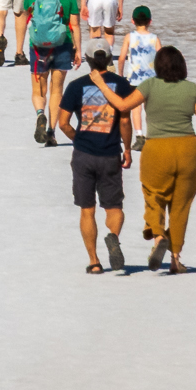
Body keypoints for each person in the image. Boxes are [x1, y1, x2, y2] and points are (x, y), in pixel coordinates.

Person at [87, 46, 196, 274]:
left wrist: (101, 84)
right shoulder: (192, 89)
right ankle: (175, 259)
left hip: (157, 149)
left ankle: (158, 239)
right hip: (189, 151)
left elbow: (123, 106)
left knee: (154, 196)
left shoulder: (149, 86)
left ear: (157, 65)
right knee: (181, 206)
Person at [57, 49, 134, 273]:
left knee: (87, 210)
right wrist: (127, 149)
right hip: (110, 153)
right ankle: (113, 237)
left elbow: (63, 123)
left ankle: (94, 262)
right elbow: (126, 121)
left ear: (89, 60)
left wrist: (78, 139)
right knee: (114, 208)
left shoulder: (76, 85)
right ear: (109, 59)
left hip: (84, 155)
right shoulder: (121, 84)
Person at [17, 0, 80, 146]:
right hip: (63, 44)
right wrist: (78, 50)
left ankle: (40, 115)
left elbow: (25, 15)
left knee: (39, 89)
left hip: (38, 47)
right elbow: (75, 25)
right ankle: (51, 132)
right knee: (56, 90)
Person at [121, 7, 163, 148]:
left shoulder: (129, 37)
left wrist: (120, 75)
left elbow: (121, 58)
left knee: (136, 108)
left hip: (133, 79)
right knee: (150, 107)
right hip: (151, 79)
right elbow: (162, 58)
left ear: (133, 21)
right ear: (150, 21)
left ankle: (139, 137)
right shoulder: (154, 38)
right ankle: (153, 134)